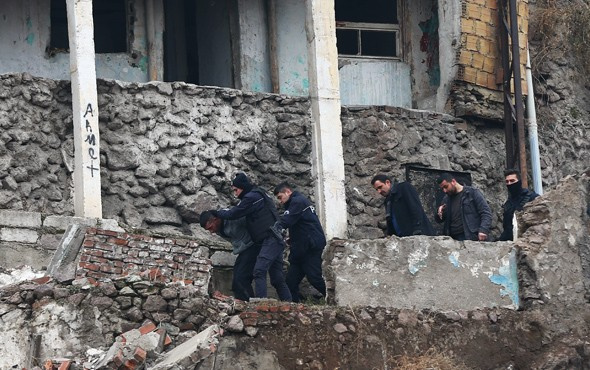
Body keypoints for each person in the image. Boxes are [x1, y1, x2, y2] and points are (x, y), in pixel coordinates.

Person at [211, 173, 292, 301]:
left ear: (242, 187)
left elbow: (235, 213)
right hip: (275, 238)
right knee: (277, 279)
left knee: (259, 271)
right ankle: (289, 305)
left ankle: (260, 304)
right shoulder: (259, 194)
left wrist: (216, 213)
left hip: (270, 238)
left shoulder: (252, 197)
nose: (235, 193)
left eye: (236, 190)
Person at [272, 182, 326, 303]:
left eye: (280, 197)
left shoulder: (297, 201)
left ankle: (337, 299)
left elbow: (287, 220)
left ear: (288, 192)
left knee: (315, 278)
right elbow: (303, 224)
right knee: (290, 281)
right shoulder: (298, 203)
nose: (280, 201)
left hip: (310, 247)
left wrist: (277, 227)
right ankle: (294, 308)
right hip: (300, 249)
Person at [199, 210, 261, 301]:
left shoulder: (233, 217)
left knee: (241, 278)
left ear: (216, 219)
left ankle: (249, 305)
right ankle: (241, 304)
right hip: (244, 250)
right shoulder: (219, 228)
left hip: (254, 246)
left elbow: (253, 217)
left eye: (211, 228)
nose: (211, 232)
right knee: (236, 281)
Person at [370, 174, 436, 237]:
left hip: (417, 235)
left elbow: (415, 208)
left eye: (380, 187)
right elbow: (390, 221)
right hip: (402, 238)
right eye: (377, 189)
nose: (379, 191)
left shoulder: (404, 188)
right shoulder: (388, 201)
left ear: (387, 182)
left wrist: (417, 229)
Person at [436, 173, 492, 241]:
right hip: (452, 239)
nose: (444, 190)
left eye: (446, 186)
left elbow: (486, 212)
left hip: (471, 236)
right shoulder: (446, 199)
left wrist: (483, 229)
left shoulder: (472, 193)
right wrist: (439, 212)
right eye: (442, 189)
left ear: (453, 181)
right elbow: (439, 220)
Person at [498, 169, 539, 241]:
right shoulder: (507, 204)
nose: (509, 184)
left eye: (512, 181)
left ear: (519, 181)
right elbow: (507, 229)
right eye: (507, 182)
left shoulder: (532, 198)